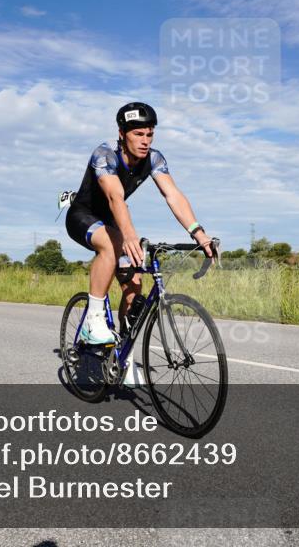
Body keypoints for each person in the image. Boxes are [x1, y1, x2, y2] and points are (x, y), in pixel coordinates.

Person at [65, 102, 216, 363]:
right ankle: (93, 320)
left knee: (134, 285)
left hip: (114, 222)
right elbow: (115, 197)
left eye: (149, 134)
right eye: (138, 134)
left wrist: (198, 233)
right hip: (82, 217)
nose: (145, 141)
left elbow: (173, 195)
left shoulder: (154, 158)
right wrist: (130, 235)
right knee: (114, 242)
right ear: (122, 134)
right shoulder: (104, 155)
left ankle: (121, 352)